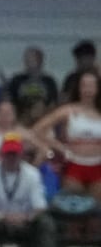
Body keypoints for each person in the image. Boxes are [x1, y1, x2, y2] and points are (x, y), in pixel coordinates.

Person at [34, 70, 101, 201]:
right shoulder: (68, 110)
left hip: (98, 165)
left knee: (97, 214)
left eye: (91, 85)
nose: (88, 90)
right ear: (79, 88)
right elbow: (38, 129)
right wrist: (59, 147)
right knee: (74, 211)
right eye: (84, 85)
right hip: (74, 165)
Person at [5, 45, 60, 122]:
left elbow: (54, 104)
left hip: (43, 118)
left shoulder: (49, 81)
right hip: (21, 118)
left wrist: (43, 112)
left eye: (33, 59)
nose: (29, 62)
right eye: (27, 59)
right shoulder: (16, 79)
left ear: (41, 60)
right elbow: (9, 102)